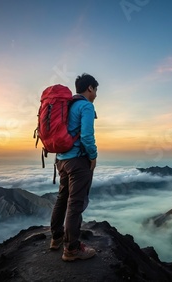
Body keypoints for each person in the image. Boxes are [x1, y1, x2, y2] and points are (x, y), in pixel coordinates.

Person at [49, 73, 98, 261]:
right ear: (90, 88)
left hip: (61, 160)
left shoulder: (67, 105)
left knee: (62, 197)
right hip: (78, 161)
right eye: (96, 90)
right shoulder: (86, 106)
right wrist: (93, 156)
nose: (96, 94)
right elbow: (86, 136)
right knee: (75, 203)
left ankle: (56, 238)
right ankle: (71, 249)